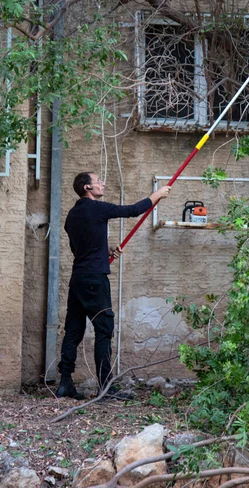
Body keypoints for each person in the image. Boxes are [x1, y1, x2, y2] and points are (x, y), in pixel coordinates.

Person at [56, 171, 171, 399]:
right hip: (95, 280)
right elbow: (132, 210)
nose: (102, 183)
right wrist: (158, 194)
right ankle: (106, 388)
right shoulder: (97, 209)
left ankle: (65, 384)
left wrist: (105, 250)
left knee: (73, 331)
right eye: (98, 181)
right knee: (104, 331)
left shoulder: (72, 215)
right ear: (87, 187)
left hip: (78, 279)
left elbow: (80, 248)